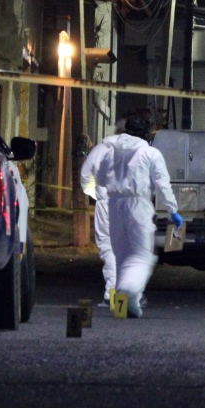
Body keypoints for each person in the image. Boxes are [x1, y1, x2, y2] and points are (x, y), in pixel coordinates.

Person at [94, 115, 181, 318]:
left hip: (114, 205)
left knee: (121, 255)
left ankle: (124, 306)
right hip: (138, 205)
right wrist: (173, 210)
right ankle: (129, 290)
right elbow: (162, 185)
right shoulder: (150, 153)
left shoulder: (110, 151)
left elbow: (100, 178)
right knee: (142, 255)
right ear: (147, 134)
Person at [80, 124, 123, 306]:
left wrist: (96, 194)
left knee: (109, 248)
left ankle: (113, 294)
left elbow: (85, 177)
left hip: (108, 204)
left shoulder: (100, 150)